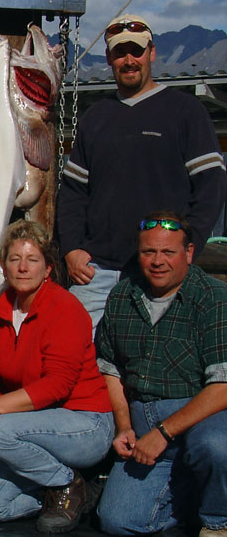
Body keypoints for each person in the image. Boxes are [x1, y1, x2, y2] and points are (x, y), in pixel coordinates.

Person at [56, 14, 226, 334]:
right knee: (74, 359)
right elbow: (74, 193)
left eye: (136, 50)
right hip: (97, 272)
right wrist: (71, 248)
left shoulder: (186, 111)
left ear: (152, 52)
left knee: (153, 369)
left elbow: (211, 187)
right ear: (109, 58)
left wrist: (187, 248)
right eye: (120, 53)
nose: (129, 60)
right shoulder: (95, 118)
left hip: (159, 273)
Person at [0, 220, 113, 532]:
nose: (22, 268)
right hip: (33, 426)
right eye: (14, 259)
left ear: (47, 269)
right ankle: (58, 494)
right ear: (3, 267)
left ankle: (67, 483)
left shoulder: (65, 308)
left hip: (85, 423)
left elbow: (58, 385)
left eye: (32, 260)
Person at [95, 212, 227, 536]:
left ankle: (217, 521)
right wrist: (124, 426)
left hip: (197, 424)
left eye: (168, 252)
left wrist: (163, 433)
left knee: (216, 448)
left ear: (189, 253)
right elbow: (109, 369)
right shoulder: (121, 297)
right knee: (117, 522)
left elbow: (223, 386)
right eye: (148, 252)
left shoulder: (214, 297)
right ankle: (191, 495)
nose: (157, 261)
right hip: (144, 434)